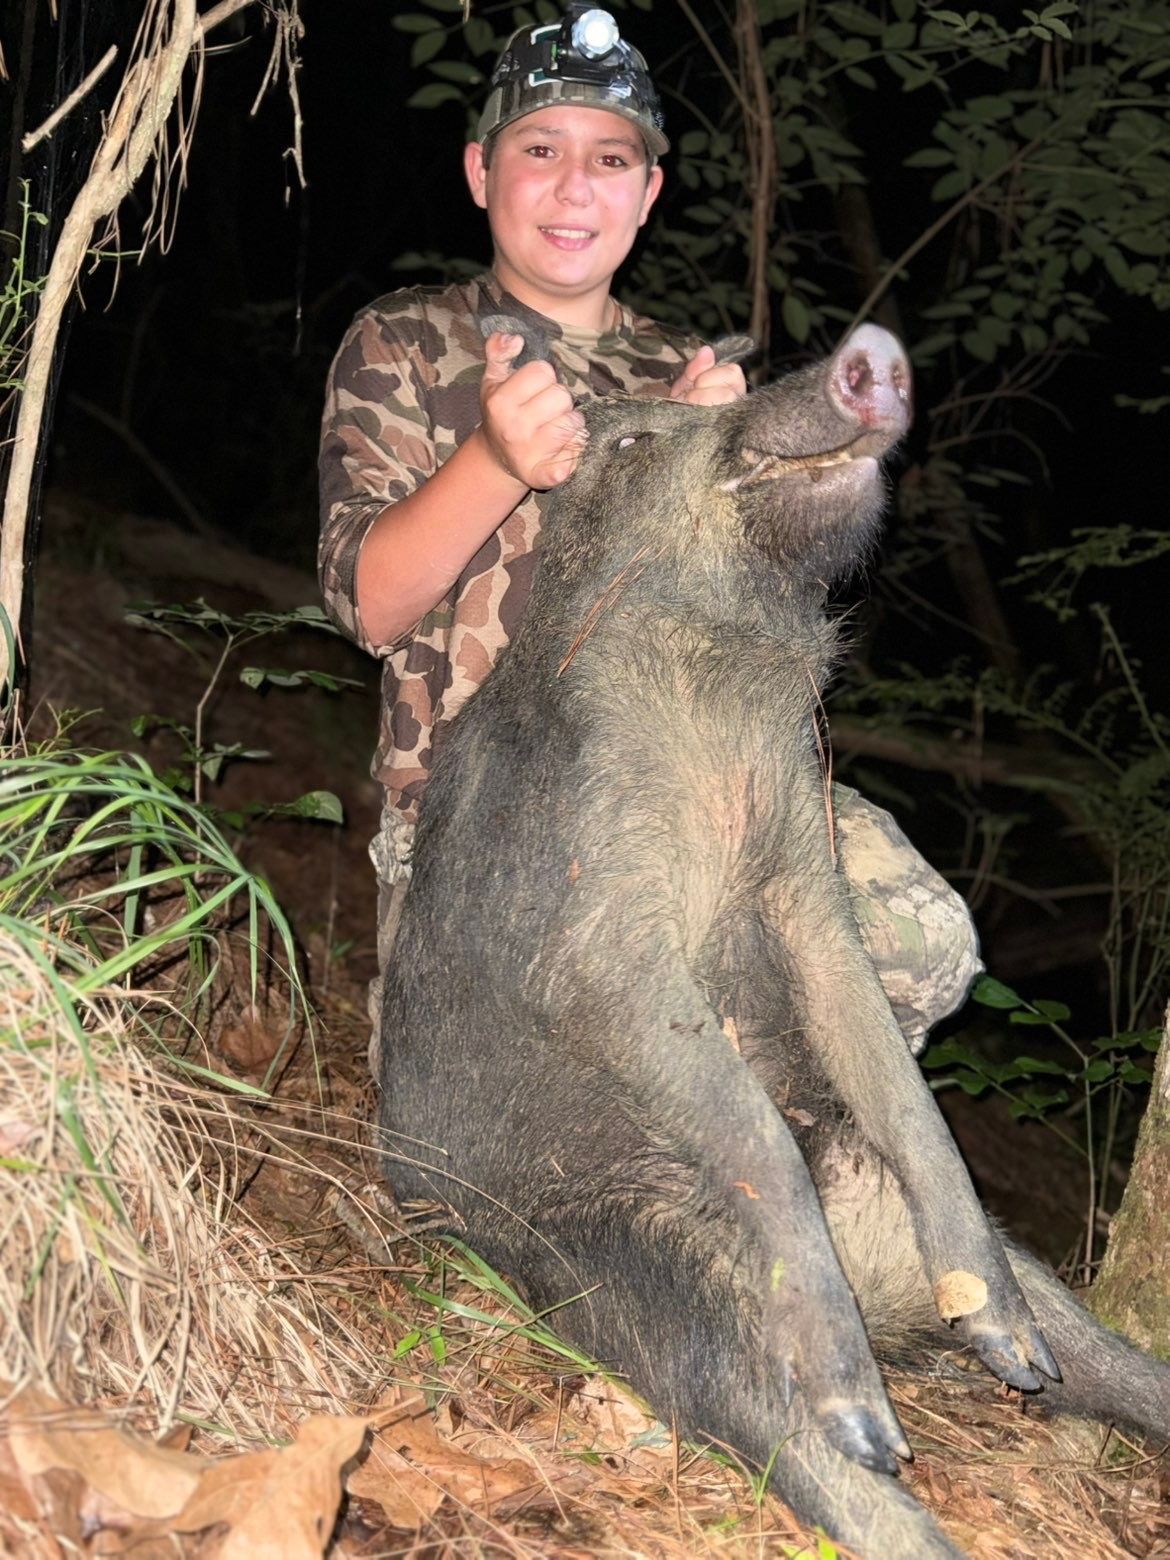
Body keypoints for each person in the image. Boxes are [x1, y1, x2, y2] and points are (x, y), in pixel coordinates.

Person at [318, 4, 982, 1076]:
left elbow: (757, 624)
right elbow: (369, 607)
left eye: (610, 158)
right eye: (541, 150)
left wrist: (724, 469)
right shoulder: (403, 343)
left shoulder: (689, 371)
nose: (575, 187)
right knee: (504, 1157)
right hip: (477, 827)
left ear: (649, 193)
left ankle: (792, 1129)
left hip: (677, 792)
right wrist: (492, 460)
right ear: (482, 171)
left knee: (919, 941)